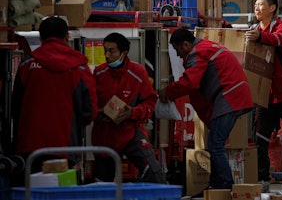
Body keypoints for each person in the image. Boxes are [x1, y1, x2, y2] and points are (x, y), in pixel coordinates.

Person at [158, 28, 253, 193]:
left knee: (215, 144)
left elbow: (190, 83)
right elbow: (198, 92)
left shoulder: (197, 53)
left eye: (178, 50)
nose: (179, 55)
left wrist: (168, 92)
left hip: (229, 96)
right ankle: (216, 185)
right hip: (233, 95)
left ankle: (224, 186)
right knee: (215, 143)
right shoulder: (207, 47)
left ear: (186, 44)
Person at [10, 16, 98, 186]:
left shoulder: (27, 64)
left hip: (29, 147)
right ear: (67, 37)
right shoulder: (79, 67)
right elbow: (89, 110)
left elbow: (15, 106)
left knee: (32, 194)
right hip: (65, 148)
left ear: (41, 38)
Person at [244, 0, 282, 193]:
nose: (257, 8)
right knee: (260, 137)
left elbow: (280, 39)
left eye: (261, 5)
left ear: (272, 8)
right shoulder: (252, 31)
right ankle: (262, 177)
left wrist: (260, 36)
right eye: (255, 5)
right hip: (264, 96)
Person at [91, 32, 166, 184]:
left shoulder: (138, 73)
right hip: (104, 134)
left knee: (154, 173)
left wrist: (132, 113)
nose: (107, 55)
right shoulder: (98, 73)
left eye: (111, 51)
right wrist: (98, 113)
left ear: (124, 53)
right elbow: (90, 102)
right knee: (101, 184)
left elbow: (150, 101)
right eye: (105, 50)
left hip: (131, 131)